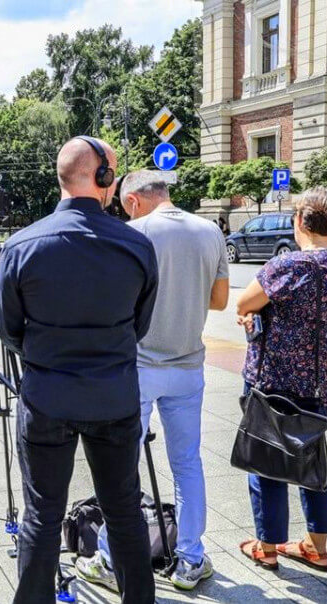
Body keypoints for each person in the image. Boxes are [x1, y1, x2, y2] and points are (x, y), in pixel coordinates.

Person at [0, 136, 158, 604]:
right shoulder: (135, 245)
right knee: (124, 510)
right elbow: (139, 326)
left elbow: (10, 330)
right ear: (104, 177)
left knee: (42, 515)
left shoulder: (22, 245)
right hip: (114, 397)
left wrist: (47, 357)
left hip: (47, 397)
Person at [75, 170, 229, 591]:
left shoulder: (132, 234)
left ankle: (110, 559)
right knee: (188, 465)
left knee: (120, 467)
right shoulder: (209, 230)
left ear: (133, 202)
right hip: (188, 366)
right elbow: (219, 301)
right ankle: (191, 560)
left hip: (138, 369)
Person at [235, 187, 327, 572]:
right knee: (314, 462)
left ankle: (267, 547)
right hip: (320, 384)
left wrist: (252, 316)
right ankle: (319, 546)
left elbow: (244, 304)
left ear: (300, 221)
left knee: (269, 461)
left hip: (275, 380)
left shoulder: (288, 266)